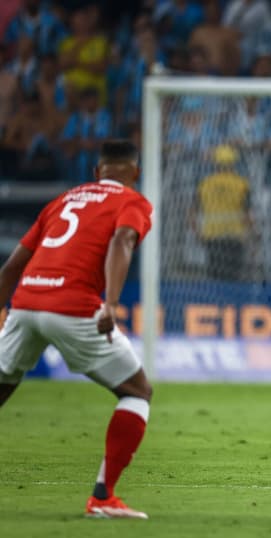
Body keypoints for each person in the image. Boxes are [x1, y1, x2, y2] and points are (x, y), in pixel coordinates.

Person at [0, 139, 154, 517]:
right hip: (73, 306)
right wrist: (112, 303)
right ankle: (103, 497)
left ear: (96, 172)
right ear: (135, 173)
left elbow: (13, 265)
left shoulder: (62, 200)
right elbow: (122, 240)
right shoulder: (133, 201)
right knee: (136, 391)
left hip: (25, 303)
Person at [191, 144, 252, 281]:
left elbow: (192, 213)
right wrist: (249, 234)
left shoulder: (204, 184)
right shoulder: (242, 184)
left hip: (212, 235)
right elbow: (248, 214)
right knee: (234, 277)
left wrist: (198, 232)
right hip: (235, 235)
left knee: (214, 276)